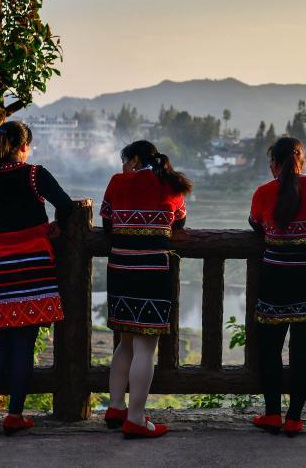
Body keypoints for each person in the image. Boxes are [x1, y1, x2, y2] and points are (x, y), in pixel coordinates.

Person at [0, 121, 72, 438]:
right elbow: (66, 206)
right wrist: (56, 226)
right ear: (24, 147)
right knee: (25, 344)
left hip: (1, 266)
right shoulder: (34, 174)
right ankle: (14, 414)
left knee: (4, 342)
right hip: (33, 266)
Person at [100, 140, 192, 439]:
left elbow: (107, 223)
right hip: (153, 272)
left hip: (120, 269)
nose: (123, 167)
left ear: (135, 160)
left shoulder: (117, 182)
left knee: (125, 342)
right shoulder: (172, 185)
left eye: (125, 161)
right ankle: (136, 418)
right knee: (145, 348)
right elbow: (179, 223)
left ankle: (116, 408)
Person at [248, 136, 306, 436]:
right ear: (302, 160)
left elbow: (256, 225)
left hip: (277, 279)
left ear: (274, 164)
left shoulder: (263, 193)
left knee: (270, 350)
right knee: (305, 351)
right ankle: (295, 419)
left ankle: (272, 415)